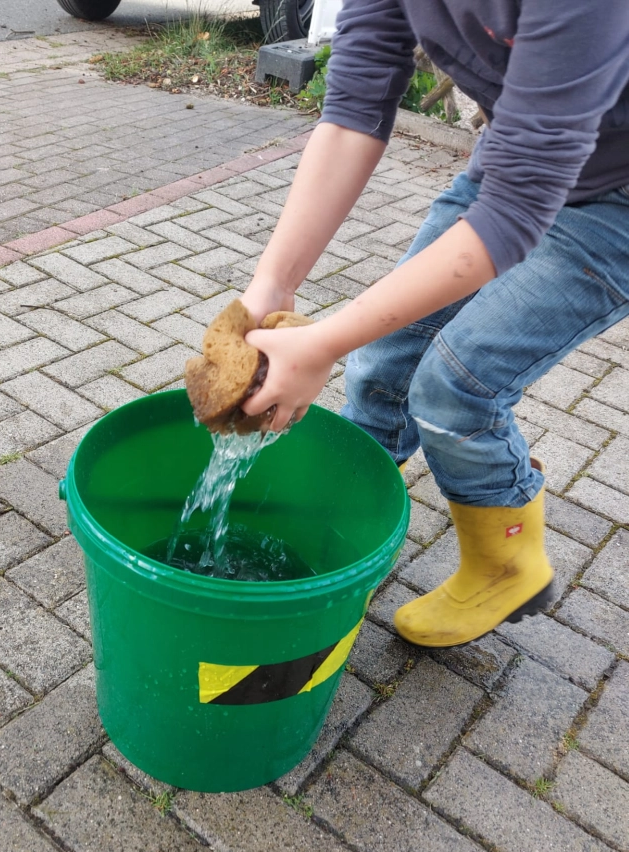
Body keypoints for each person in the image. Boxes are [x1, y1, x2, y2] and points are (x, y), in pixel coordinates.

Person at [238, 0, 629, 649]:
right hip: (519, 159)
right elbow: (354, 112)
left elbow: (515, 209)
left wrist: (323, 340)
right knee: (386, 353)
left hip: (614, 198)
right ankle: (340, 528)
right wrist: (270, 286)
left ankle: (506, 564)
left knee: (457, 382)